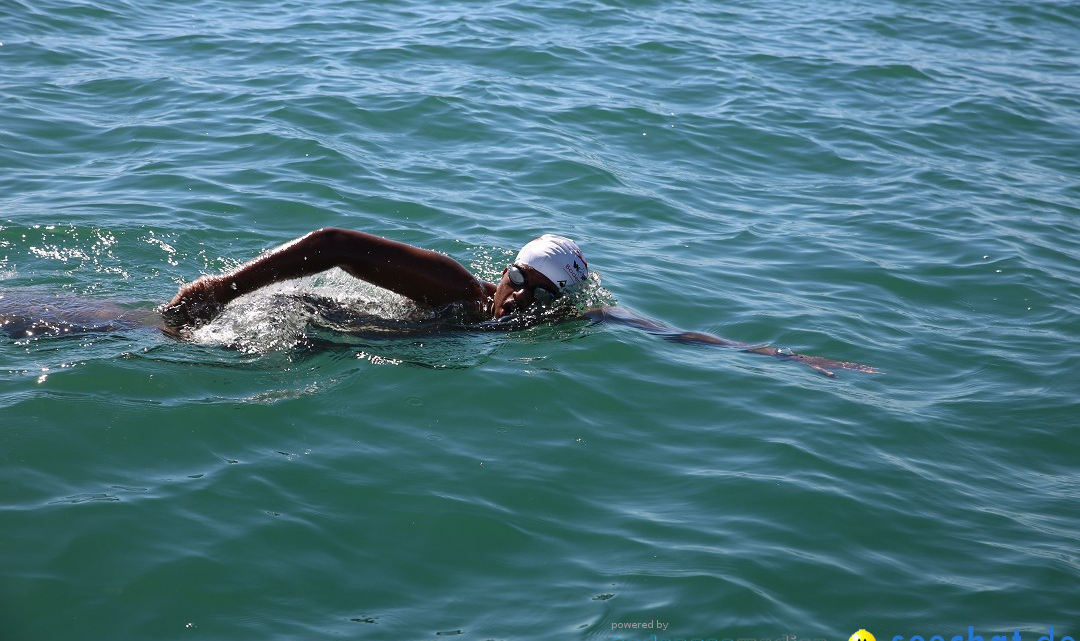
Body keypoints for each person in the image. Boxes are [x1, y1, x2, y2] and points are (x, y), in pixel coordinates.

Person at [160, 228, 878, 377]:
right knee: (150, 336)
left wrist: (779, 354)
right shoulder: (454, 288)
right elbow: (333, 242)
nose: (520, 303)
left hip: (344, 349)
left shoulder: (569, 316)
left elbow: (673, 334)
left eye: (540, 296)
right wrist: (223, 290)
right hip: (299, 319)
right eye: (516, 282)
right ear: (501, 273)